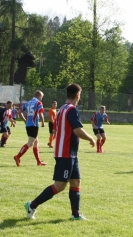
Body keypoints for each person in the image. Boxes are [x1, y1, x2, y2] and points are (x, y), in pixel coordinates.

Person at [24, 83, 96, 220]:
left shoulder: (62, 108)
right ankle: (31, 205)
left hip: (70, 153)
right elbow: (77, 130)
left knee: (76, 182)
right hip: (66, 153)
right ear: (77, 95)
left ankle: (75, 214)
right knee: (60, 185)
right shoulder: (72, 110)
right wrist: (90, 138)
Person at [13, 90, 46, 166]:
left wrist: (25, 120)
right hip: (34, 125)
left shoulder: (27, 103)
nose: (41, 99)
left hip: (28, 125)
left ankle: (39, 161)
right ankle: (17, 156)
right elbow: (41, 113)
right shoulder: (38, 103)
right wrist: (43, 122)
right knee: (30, 143)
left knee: (36, 142)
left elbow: (19, 112)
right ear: (39, 96)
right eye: (41, 97)